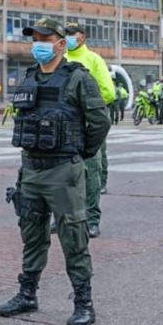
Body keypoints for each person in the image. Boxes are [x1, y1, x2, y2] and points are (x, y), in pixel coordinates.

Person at [0, 18, 110, 325]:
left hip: (63, 171)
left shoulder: (77, 78)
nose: (39, 43)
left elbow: (100, 121)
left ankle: (84, 303)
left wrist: (81, 154)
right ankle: (27, 294)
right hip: (31, 169)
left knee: (73, 237)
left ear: (61, 44)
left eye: (45, 38)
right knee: (32, 235)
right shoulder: (29, 77)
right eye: (35, 38)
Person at [65, 21, 116, 236]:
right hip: (63, 123)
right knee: (63, 172)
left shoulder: (93, 60)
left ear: (82, 37)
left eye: (71, 34)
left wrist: (85, 105)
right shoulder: (60, 58)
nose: (67, 38)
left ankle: (92, 219)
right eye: (65, 34)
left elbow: (108, 92)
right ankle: (66, 217)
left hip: (86, 121)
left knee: (91, 171)